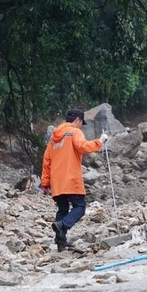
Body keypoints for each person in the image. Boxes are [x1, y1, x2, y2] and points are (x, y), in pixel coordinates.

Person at [41, 108, 108, 252]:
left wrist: (45, 182)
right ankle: (62, 226)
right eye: (80, 122)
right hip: (71, 178)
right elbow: (83, 147)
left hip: (57, 181)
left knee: (63, 209)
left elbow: (47, 160)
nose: (80, 125)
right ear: (77, 120)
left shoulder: (54, 138)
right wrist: (100, 141)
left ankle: (61, 242)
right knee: (80, 207)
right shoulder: (75, 132)